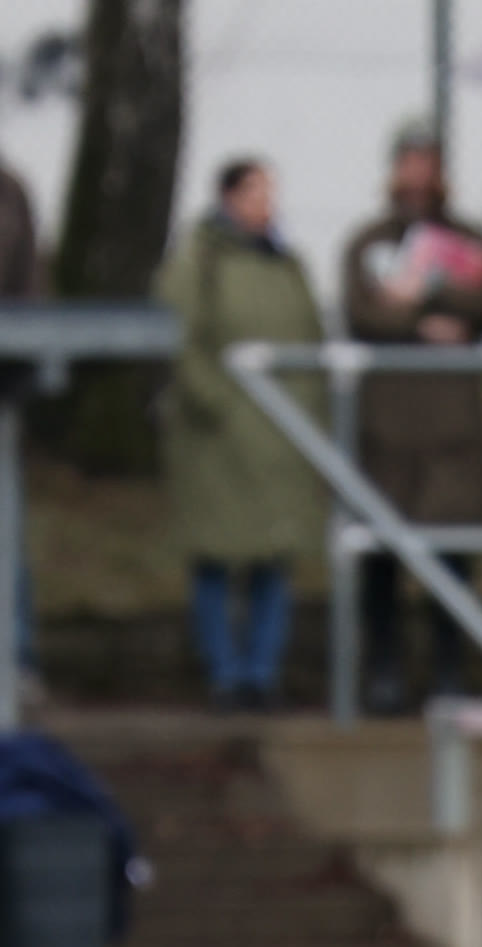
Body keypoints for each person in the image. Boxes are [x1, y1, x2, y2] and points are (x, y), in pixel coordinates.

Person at [343, 123, 482, 714]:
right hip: (387, 429)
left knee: (450, 558)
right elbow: (364, 314)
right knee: (381, 560)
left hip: (452, 429)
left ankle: (450, 672)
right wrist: (420, 323)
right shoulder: (367, 244)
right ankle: (383, 671)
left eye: (426, 164)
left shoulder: (470, 240)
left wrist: (425, 293)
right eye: (407, 163)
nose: (417, 176)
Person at [156, 160, 326, 708]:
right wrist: (218, 403)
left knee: (274, 555)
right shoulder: (198, 261)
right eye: (255, 192)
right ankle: (223, 673)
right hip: (218, 440)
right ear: (228, 196)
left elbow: (312, 338)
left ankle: (262, 672)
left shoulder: (288, 263)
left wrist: (307, 409)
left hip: (281, 435)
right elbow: (180, 338)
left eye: (271, 192)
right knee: (215, 554)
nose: (266, 203)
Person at [0, 151, 40, 693]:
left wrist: (23, 361)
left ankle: (15, 656)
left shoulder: (8, 189)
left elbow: (31, 282)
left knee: (5, 528)